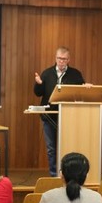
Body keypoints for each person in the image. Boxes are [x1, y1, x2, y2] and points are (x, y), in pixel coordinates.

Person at [34, 46, 86, 177]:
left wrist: (86, 87)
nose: (61, 61)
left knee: (67, 147)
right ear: (55, 58)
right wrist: (39, 84)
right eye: (59, 58)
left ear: (69, 60)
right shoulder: (47, 73)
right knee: (51, 149)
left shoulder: (75, 74)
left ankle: (67, 175)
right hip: (49, 116)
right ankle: (54, 175)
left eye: (64, 59)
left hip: (69, 117)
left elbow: (81, 91)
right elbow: (38, 93)